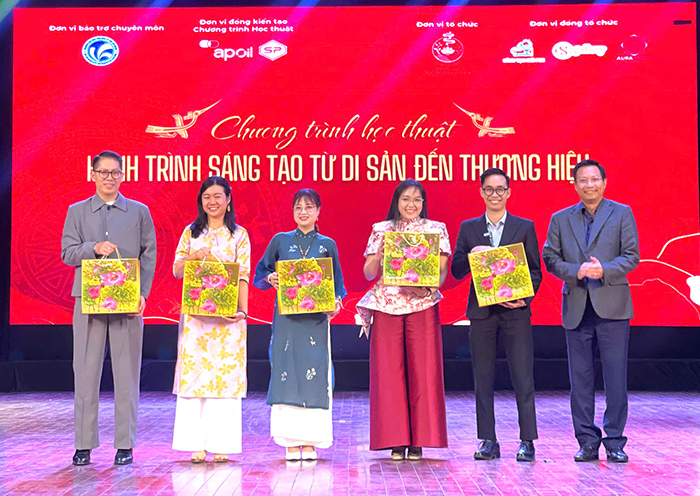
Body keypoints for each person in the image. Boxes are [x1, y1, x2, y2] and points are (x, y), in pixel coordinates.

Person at [61, 150, 157, 466]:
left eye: (115, 172)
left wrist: (143, 293)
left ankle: (125, 444)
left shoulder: (139, 211)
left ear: (123, 175)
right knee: (85, 373)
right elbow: (67, 253)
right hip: (88, 302)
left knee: (126, 374)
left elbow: (149, 254)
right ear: (92, 174)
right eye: (103, 172)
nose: (109, 178)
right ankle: (83, 444)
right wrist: (94, 248)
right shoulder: (76, 211)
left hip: (127, 302)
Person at [542, 159, 639, 463]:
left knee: (615, 378)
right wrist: (577, 271)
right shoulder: (560, 218)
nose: (589, 185)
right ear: (574, 185)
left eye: (594, 179)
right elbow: (550, 257)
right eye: (583, 180)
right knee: (580, 381)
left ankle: (615, 441)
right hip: (577, 305)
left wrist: (603, 269)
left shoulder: (622, 213)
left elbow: (632, 256)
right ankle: (586, 441)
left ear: (604, 182)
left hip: (613, 305)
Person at [451, 168, 542, 462]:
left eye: (500, 189)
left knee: (523, 376)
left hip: (516, 313)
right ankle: (488, 440)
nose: (494, 194)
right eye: (489, 189)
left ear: (508, 192)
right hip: (482, 313)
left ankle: (527, 441)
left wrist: (524, 298)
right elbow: (456, 270)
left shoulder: (524, 226)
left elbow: (536, 271)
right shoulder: (469, 228)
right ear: (481, 192)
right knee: (483, 378)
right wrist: (472, 255)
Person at [356, 179, 450, 461]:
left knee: (424, 371)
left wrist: (430, 288)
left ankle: (420, 439)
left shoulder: (436, 229)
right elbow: (368, 272)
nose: (411, 205)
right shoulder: (381, 230)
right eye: (406, 199)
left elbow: (441, 271)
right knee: (388, 373)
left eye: (417, 199)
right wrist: (379, 255)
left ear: (423, 203)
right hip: (387, 306)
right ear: (396, 201)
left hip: (422, 305)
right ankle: (395, 440)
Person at [252, 189, 346, 461]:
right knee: (287, 372)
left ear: (318, 212)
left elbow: (337, 285)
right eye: (298, 207)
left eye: (309, 207)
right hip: (287, 322)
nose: (303, 212)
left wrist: (336, 304)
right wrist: (271, 279)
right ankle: (290, 441)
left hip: (316, 323)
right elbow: (260, 273)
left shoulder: (328, 245)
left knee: (316, 376)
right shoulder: (280, 241)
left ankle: (311, 440)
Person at [171, 176, 250, 463]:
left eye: (218, 196)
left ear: (229, 200)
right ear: (200, 201)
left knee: (225, 380)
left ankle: (221, 444)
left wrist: (242, 311)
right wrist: (193, 257)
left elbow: (243, 275)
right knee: (196, 378)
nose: (212, 201)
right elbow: (177, 270)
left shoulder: (239, 235)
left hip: (228, 323)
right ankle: (196, 444)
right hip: (196, 322)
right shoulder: (191, 233)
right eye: (206, 197)